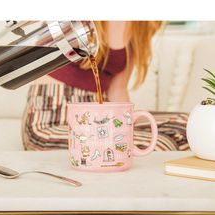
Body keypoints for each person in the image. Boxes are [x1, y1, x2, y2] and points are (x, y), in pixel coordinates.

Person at [22, 21, 189, 151]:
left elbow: (117, 89)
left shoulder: (141, 25)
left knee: (187, 126)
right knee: (157, 144)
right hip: (51, 116)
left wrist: (127, 125)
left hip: (98, 114)